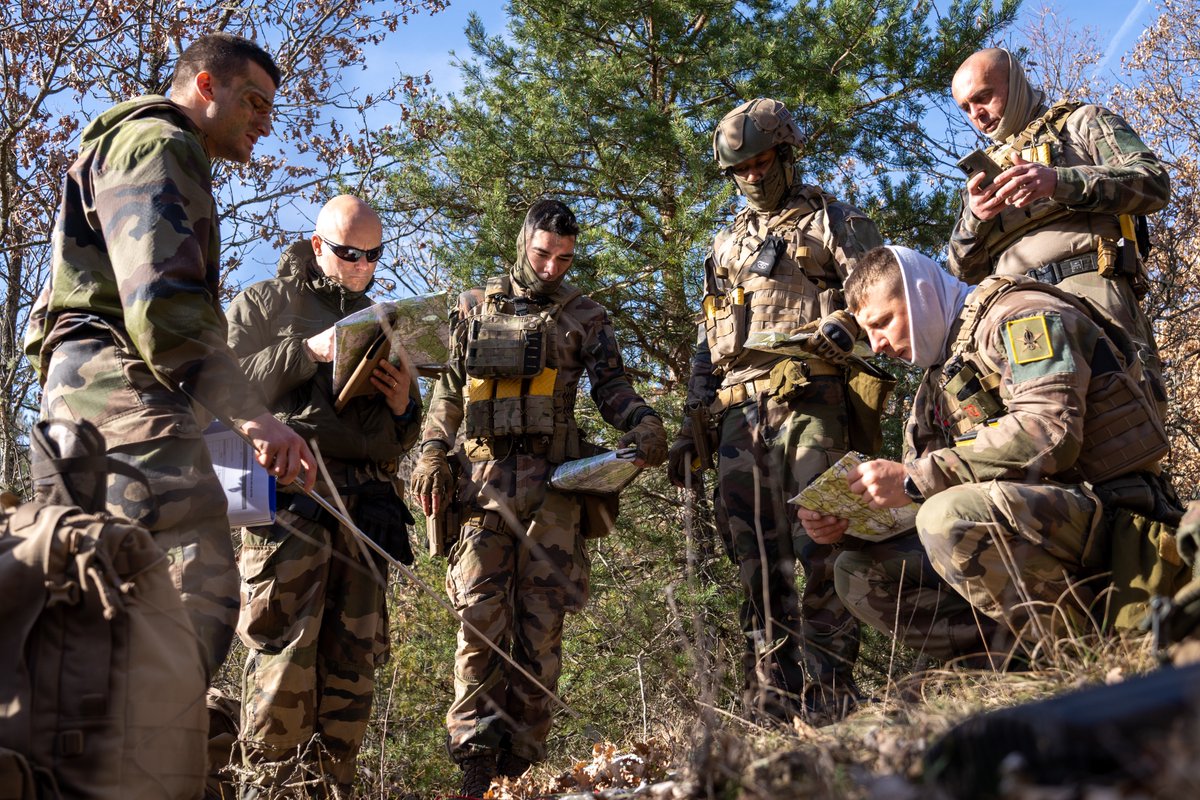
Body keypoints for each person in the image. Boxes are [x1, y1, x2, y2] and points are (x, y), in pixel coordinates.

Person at [23, 33, 316, 680]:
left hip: (99, 406)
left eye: (271, 109)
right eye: (253, 101)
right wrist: (253, 418)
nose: (264, 122)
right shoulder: (159, 144)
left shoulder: (146, 149)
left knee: (107, 611)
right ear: (205, 87)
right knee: (191, 597)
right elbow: (164, 308)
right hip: (117, 398)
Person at [800, 246, 1174, 660]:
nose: (879, 344)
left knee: (945, 517)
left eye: (883, 322)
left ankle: (1088, 659)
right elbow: (918, 492)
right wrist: (848, 522)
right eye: (868, 334)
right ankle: (1020, 669)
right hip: (1037, 522)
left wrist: (911, 480)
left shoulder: (1022, 314)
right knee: (856, 571)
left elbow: (1049, 433)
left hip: (1115, 513)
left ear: (921, 293)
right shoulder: (936, 383)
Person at [410, 199, 667, 797]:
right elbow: (448, 393)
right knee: (479, 619)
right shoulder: (471, 308)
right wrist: (430, 453)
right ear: (523, 241)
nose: (552, 267)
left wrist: (644, 422)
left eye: (565, 258)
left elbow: (612, 388)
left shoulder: (586, 317)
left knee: (541, 628)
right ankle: (475, 760)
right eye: (542, 254)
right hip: (481, 489)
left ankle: (518, 763)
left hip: (555, 490)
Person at [666, 98, 882, 723]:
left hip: (812, 399)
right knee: (754, 558)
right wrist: (690, 421)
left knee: (820, 541)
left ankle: (831, 694)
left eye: (762, 162)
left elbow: (880, 293)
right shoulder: (726, 242)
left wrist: (843, 327)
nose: (753, 176)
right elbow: (707, 339)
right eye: (741, 169)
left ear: (785, 153)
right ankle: (771, 698)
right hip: (739, 417)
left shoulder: (833, 221)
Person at [226, 195, 422, 795]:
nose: (362, 264)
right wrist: (306, 351)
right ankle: (269, 789)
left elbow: (401, 435)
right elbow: (219, 384)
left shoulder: (381, 318)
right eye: (349, 253)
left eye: (373, 255)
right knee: (285, 661)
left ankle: (334, 789)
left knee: (353, 669)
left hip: (366, 508)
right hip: (292, 502)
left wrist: (401, 403)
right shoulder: (264, 302)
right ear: (317, 246)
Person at [949, 47, 1169, 407]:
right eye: (967, 108)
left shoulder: (1082, 123)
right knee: (1039, 436)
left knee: (1124, 426)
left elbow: (1154, 182)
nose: (978, 115)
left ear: (1014, 82)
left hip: (1093, 299)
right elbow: (962, 271)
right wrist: (976, 218)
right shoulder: (983, 176)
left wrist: (1058, 182)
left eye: (983, 97)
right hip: (1016, 318)